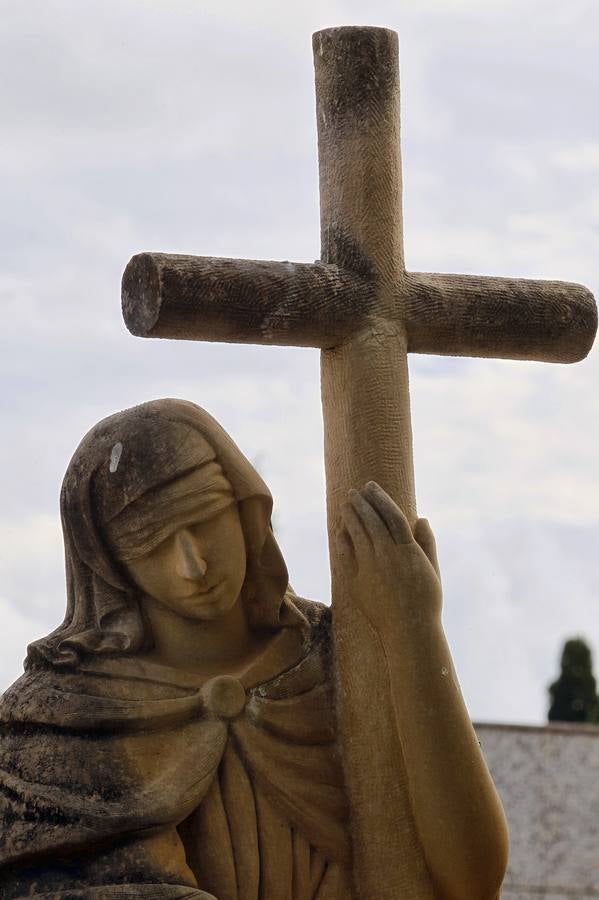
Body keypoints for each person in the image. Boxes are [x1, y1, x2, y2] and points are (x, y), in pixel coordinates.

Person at [0, 399, 507, 900]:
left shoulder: (345, 657)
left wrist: (414, 628)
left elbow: (473, 881)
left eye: (204, 521)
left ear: (244, 509)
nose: (192, 565)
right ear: (110, 565)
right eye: (152, 544)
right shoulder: (59, 716)